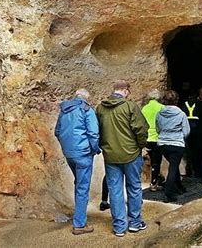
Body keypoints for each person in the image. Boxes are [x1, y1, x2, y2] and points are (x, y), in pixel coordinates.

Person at [96, 80, 149, 237]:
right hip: (131, 154)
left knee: (115, 190)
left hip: (110, 155)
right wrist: (141, 145)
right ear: (125, 91)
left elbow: (96, 130)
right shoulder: (130, 106)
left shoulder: (100, 108)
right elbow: (141, 129)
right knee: (134, 188)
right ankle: (134, 222)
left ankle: (119, 226)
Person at [55, 89, 100, 235]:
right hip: (83, 153)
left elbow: (57, 131)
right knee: (82, 187)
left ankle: (78, 215)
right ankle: (79, 224)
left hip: (69, 153)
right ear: (87, 98)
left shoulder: (65, 110)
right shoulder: (87, 110)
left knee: (78, 184)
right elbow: (93, 133)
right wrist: (94, 149)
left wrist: (66, 146)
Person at [156, 90, 190, 203]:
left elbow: (158, 128)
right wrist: (180, 137)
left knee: (173, 165)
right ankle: (168, 194)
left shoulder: (160, 113)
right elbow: (186, 131)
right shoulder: (181, 114)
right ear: (176, 100)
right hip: (176, 143)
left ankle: (179, 187)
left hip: (163, 144)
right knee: (173, 168)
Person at [141, 89, 165, 191]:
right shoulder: (162, 108)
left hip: (147, 137)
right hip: (158, 137)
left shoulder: (144, 108)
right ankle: (154, 182)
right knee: (157, 160)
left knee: (151, 159)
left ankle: (152, 179)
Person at [182, 92, 200, 177]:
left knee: (187, 151)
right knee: (195, 151)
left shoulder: (183, 105)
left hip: (187, 128)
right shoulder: (197, 104)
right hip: (195, 128)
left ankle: (188, 169)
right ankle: (195, 171)